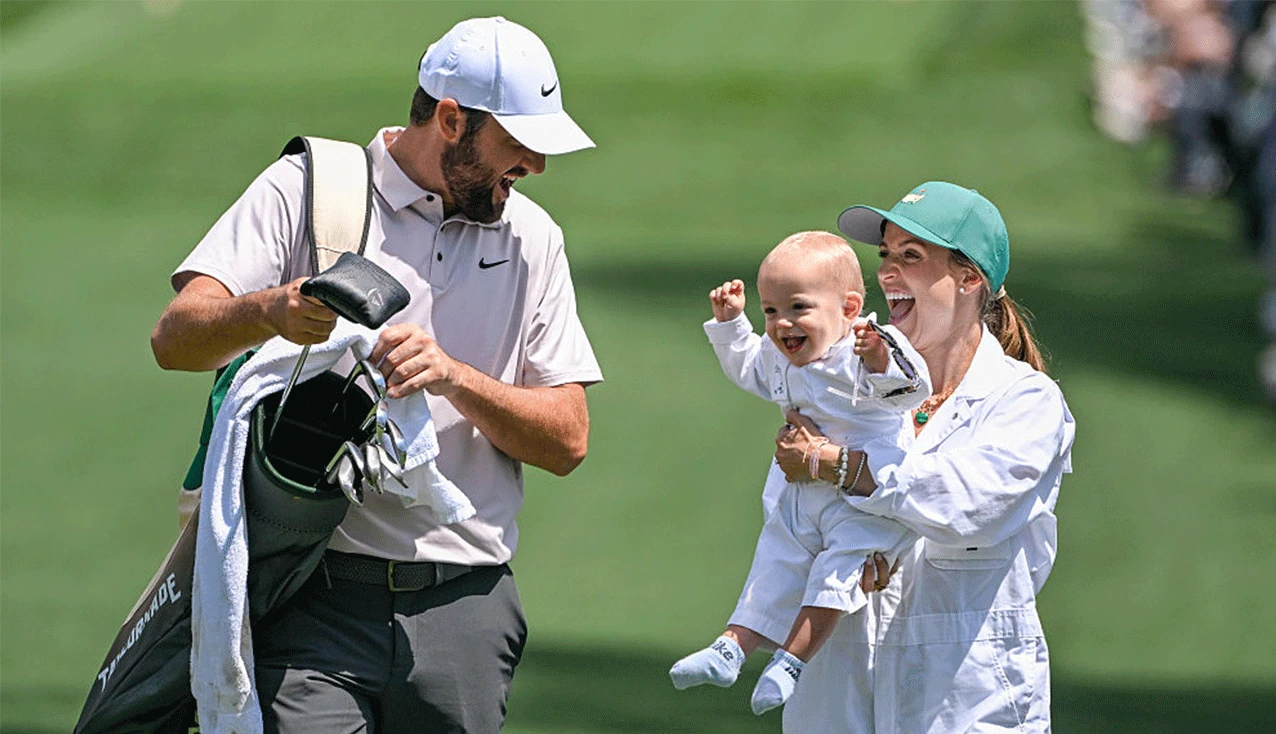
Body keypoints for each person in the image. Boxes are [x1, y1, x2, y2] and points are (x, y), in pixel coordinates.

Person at [150, 16, 602, 734]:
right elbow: (176, 338)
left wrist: (456, 377)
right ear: (451, 120)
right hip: (310, 598)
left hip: (466, 609)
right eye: (519, 145)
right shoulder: (307, 188)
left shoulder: (535, 239)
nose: (536, 168)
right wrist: (272, 309)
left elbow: (567, 440)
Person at [772, 182, 1075, 733]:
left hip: (966, 705)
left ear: (969, 278)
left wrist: (840, 466)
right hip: (837, 694)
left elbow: (966, 507)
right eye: (885, 255)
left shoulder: (1025, 401)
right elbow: (791, 517)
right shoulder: (836, 379)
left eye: (912, 257)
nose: (887, 273)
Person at [668, 232, 930, 714]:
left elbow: (912, 390)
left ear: (850, 308)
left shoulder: (864, 346)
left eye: (798, 308)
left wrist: (878, 358)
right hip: (802, 492)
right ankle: (732, 646)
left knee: (837, 571)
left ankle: (791, 660)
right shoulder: (782, 356)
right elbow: (750, 369)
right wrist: (732, 326)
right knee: (776, 559)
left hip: (865, 496)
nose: (782, 324)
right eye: (770, 311)